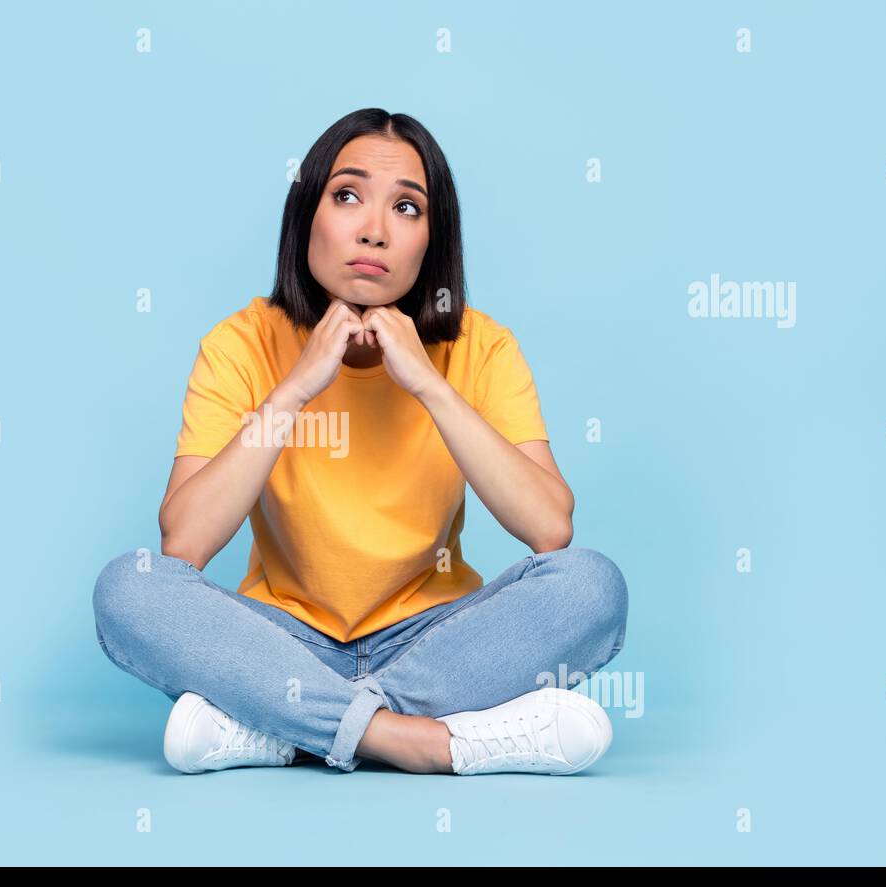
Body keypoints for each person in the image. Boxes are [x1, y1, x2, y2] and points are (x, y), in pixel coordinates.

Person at [92, 108, 628, 776]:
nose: (374, 230)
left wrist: (430, 386)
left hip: (434, 642)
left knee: (592, 588)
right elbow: (185, 544)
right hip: (282, 642)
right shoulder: (240, 343)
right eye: (347, 196)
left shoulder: (482, 347)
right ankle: (424, 742)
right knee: (129, 589)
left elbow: (551, 529)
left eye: (407, 208)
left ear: (432, 241)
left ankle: (287, 732)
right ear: (306, 217)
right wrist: (294, 390)